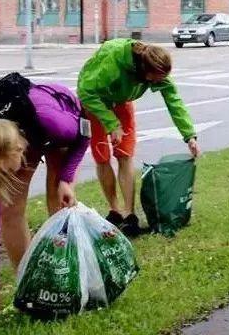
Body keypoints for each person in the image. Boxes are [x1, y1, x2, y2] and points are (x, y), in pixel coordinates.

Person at [0, 75, 89, 324]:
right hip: (24, 129)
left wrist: (66, 179)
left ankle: (67, 283)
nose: (7, 176)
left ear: (19, 151)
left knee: (58, 203)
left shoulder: (55, 125)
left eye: (9, 169)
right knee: (10, 212)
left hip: (59, 119)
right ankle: (30, 288)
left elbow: (84, 130)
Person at [77, 39, 200, 237]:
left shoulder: (156, 70)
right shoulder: (113, 63)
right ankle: (114, 211)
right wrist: (111, 124)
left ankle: (129, 214)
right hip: (96, 102)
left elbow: (174, 100)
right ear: (145, 70)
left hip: (122, 101)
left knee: (124, 154)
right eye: (156, 78)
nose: (159, 82)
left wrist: (189, 136)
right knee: (102, 156)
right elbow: (85, 91)